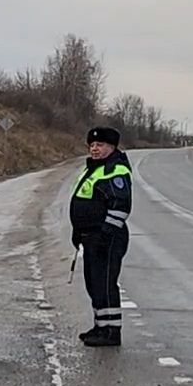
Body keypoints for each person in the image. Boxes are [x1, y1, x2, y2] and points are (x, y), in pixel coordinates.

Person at [69, 126, 132, 347]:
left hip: (107, 237)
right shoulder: (95, 168)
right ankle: (100, 326)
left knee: (105, 284)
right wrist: (78, 232)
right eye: (92, 145)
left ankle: (112, 332)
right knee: (94, 283)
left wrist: (106, 235)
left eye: (100, 145)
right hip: (91, 237)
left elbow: (120, 206)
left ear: (112, 147)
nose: (95, 149)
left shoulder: (115, 170)